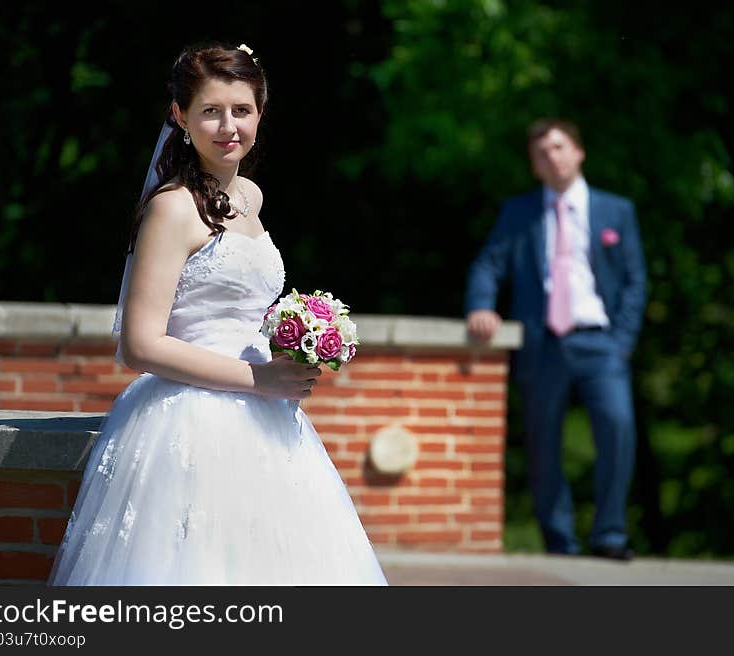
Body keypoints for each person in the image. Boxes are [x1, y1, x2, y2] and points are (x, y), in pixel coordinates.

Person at [48, 42, 387, 585]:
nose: (228, 126)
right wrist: (260, 377)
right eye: (210, 111)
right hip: (191, 417)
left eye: (242, 110)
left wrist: (294, 337)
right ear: (181, 117)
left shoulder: (250, 196)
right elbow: (140, 345)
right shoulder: (171, 207)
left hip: (269, 419)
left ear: (260, 113)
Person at [464, 118, 647, 560]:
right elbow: (489, 265)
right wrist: (482, 306)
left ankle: (609, 535)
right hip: (543, 343)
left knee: (618, 430)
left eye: (560, 147)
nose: (553, 156)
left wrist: (622, 341)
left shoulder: (616, 211)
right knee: (544, 444)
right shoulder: (520, 212)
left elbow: (635, 281)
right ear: (535, 165)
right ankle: (559, 540)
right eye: (542, 152)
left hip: (601, 343)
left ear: (579, 152)